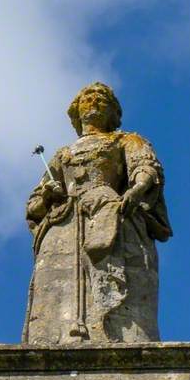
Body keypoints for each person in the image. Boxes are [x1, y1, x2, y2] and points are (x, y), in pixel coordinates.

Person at [23, 82, 172, 344]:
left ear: (114, 113)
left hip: (108, 214)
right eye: (88, 98)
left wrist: (138, 188)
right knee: (56, 285)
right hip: (64, 225)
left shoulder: (126, 140)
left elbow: (145, 166)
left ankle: (114, 333)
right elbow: (34, 205)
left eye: (102, 99)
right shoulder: (62, 155)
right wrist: (48, 195)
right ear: (76, 112)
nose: (94, 102)